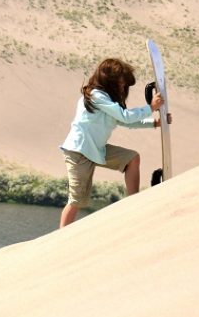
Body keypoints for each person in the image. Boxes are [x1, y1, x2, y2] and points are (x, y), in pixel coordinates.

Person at [59, 58, 166, 228]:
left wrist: (154, 123)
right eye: (121, 84)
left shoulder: (107, 101)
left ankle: (133, 203)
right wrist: (150, 108)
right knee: (77, 200)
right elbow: (124, 117)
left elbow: (124, 121)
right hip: (79, 151)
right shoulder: (96, 96)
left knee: (132, 158)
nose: (123, 88)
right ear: (110, 81)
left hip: (97, 150)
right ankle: (60, 239)